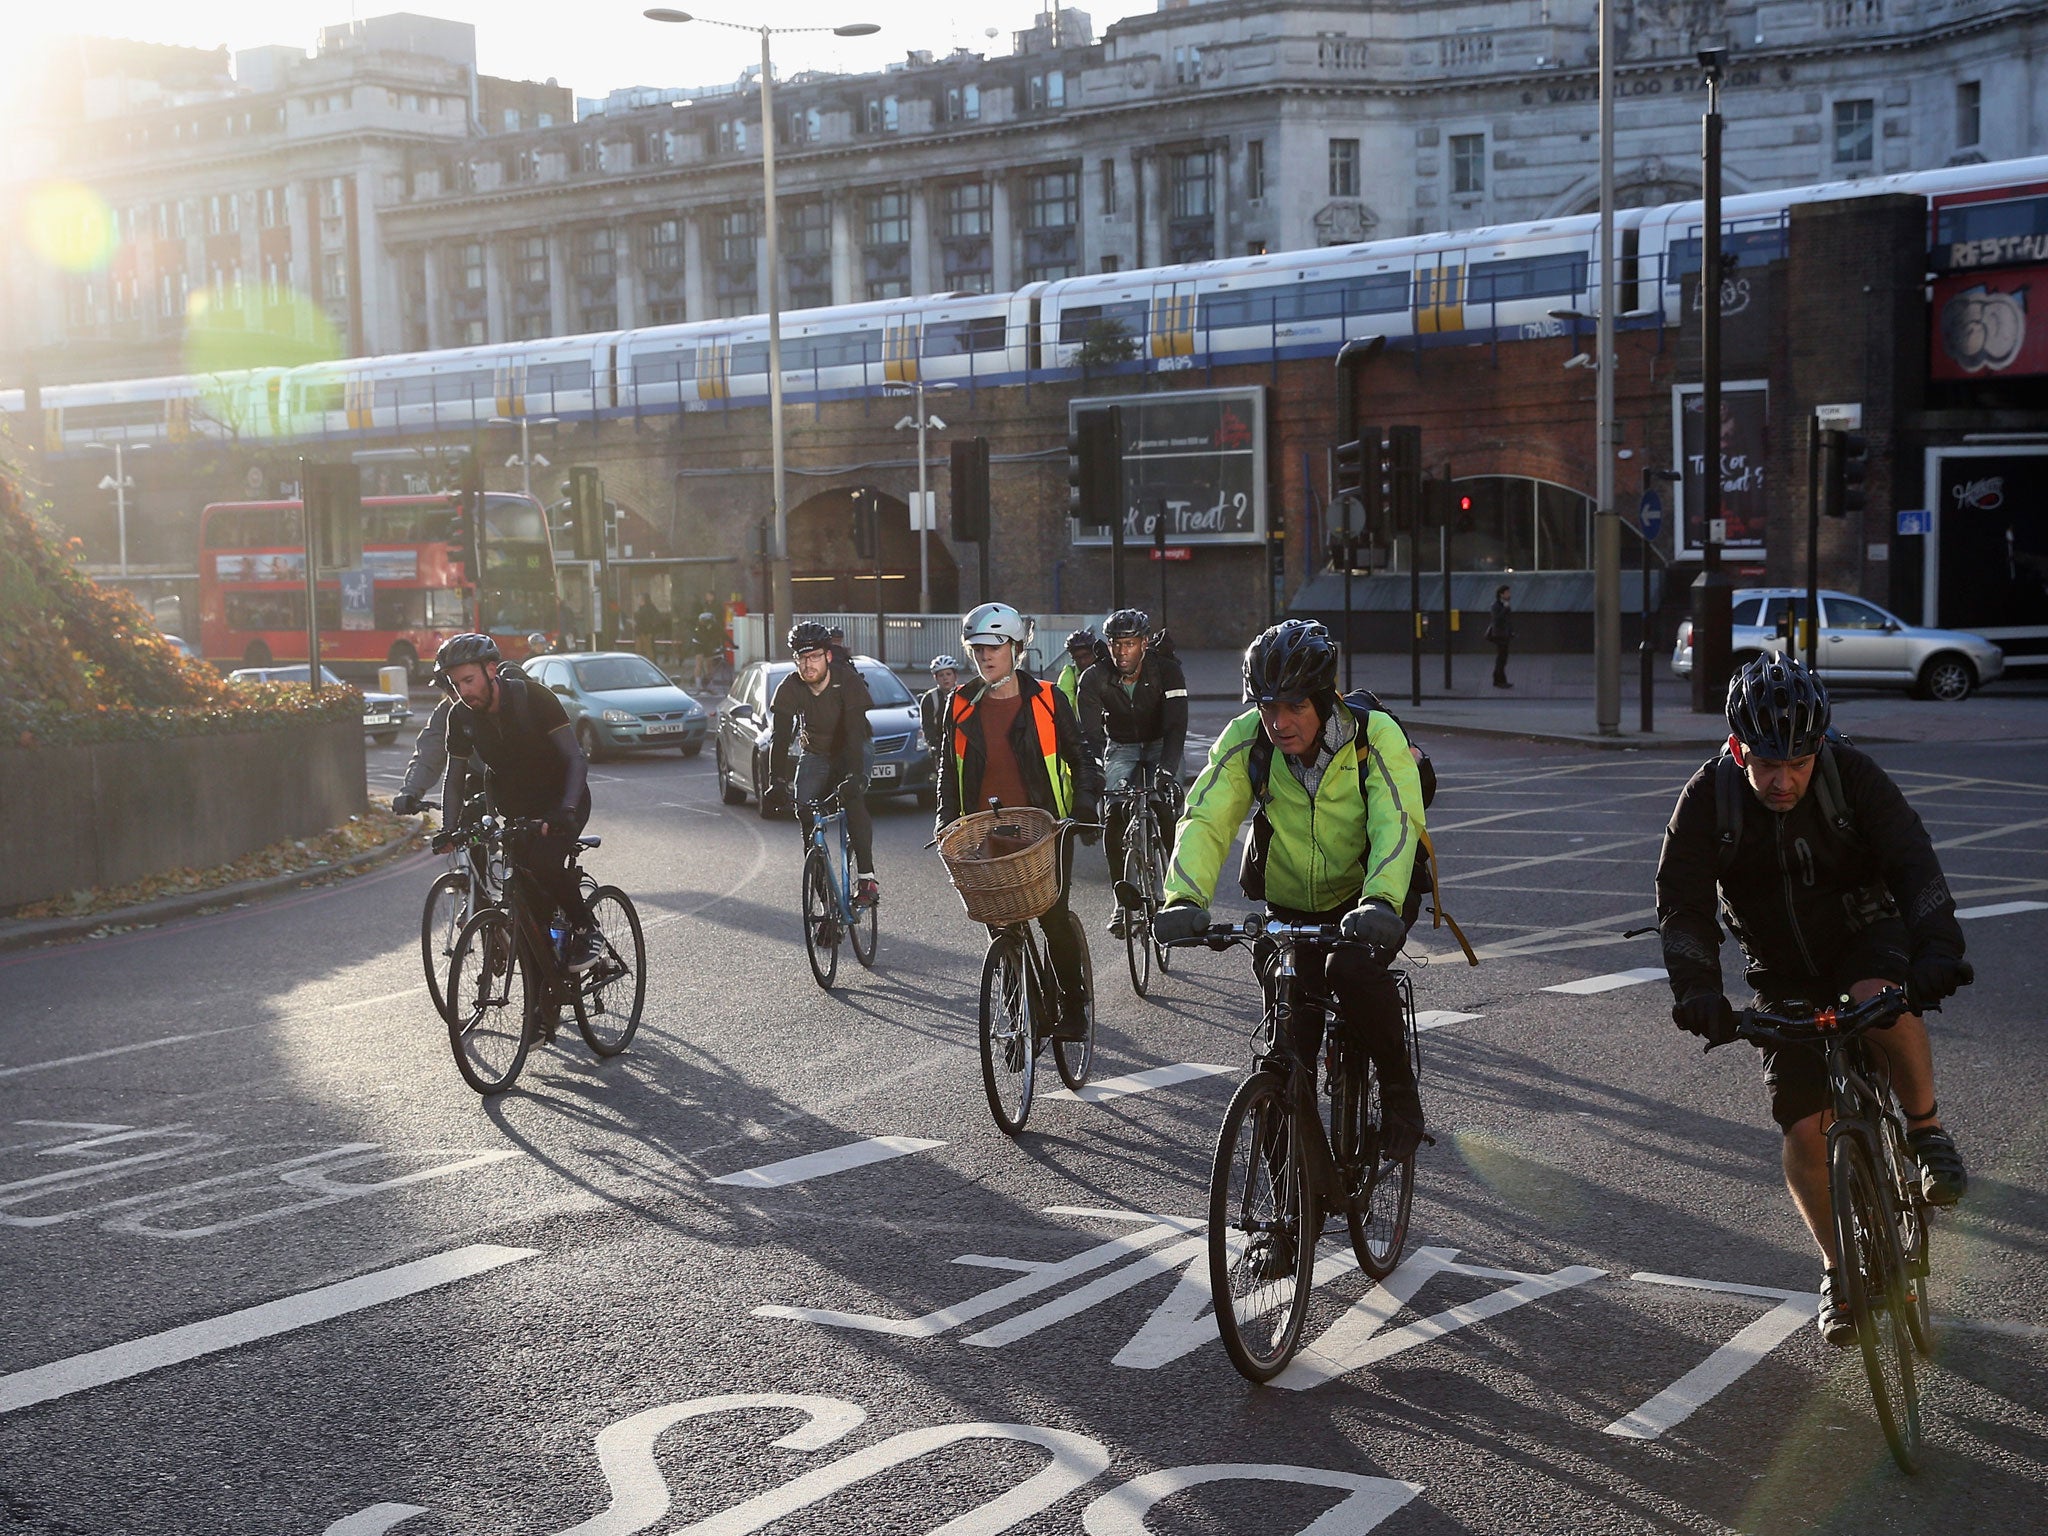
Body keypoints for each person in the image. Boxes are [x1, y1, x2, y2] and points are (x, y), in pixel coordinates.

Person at [1654, 654, 1972, 1346]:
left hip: (1865, 931)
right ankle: (1837, 1269)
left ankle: (1924, 1131)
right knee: (1803, 1126)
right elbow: (1683, 907)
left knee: (1881, 997)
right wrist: (1698, 991)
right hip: (1779, 969)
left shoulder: (1852, 776)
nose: (1782, 778)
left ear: (1818, 747)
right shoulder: (1708, 798)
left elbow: (1913, 861)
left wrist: (1938, 950)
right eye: (1766, 762)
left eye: (1797, 762)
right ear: (1738, 749)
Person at [1153, 619, 1427, 1154]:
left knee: (1349, 969)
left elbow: (1396, 820)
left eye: (1295, 706)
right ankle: (1290, 1184)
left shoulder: (1373, 736)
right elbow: (1206, 816)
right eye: (1267, 707)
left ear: (1324, 701)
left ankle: (1398, 1092)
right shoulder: (1248, 739)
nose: (1279, 723)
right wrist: (1183, 897)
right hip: (1292, 901)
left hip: (1373, 895)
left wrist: (1381, 901)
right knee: (1290, 1028)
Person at [936, 601, 1103, 1039]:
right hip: (986, 831)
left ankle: (1074, 1005)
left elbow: (1083, 758)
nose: (985, 655)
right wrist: (946, 821)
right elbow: (947, 773)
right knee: (1001, 925)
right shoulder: (959, 705)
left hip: (1045, 830)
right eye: (977, 648)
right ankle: (1020, 1015)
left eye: (994, 646)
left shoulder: (1048, 700)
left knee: (1052, 917)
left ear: (1016, 647)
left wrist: (1084, 804)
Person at [434, 632, 600, 972]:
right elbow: (454, 777)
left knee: (543, 863)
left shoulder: (534, 698)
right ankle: (543, 997)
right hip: (518, 808)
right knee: (525, 900)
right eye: (456, 684)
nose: (463, 692)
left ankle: (585, 927)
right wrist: (449, 829)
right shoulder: (460, 717)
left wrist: (565, 811)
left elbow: (575, 758)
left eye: (469, 680)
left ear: (491, 669)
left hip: (563, 799)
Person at [1077, 607, 1189, 937]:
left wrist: (1167, 770)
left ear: (1144, 643)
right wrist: (1097, 773)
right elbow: (1092, 735)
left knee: (1165, 809)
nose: (1121, 652)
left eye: (1129, 644)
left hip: (1160, 742)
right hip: (1122, 744)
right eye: (1115, 644)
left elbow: (1177, 726)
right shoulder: (1094, 678)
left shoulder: (1167, 671)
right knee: (1113, 819)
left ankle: (1175, 894)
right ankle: (1121, 902)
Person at [768, 621, 879, 908]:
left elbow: (855, 732)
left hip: (853, 746)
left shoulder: (847, 680)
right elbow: (780, 738)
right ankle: (826, 904)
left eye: (815, 657)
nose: (808, 665)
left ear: (828, 656)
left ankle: (867, 878)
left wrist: (854, 774)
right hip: (816, 752)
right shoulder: (790, 687)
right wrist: (776, 782)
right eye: (802, 658)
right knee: (805, 812)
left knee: (852, 796)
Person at [920, 654, 961, 754]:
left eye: (948, 674)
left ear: (955, 676)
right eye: (941, 675)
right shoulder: (929, 698)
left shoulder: (963, 694)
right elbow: (927, 726)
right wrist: (934, 745)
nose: (945, 678)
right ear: (936, 678)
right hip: (939, 747)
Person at [1055, 628, 1096, 716]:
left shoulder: (1106, 671)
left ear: (1095, 653)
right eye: (1077, 658)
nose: (1083, 661)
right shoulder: (1069, 675)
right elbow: (1062, 707)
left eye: (1086, 656)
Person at [1487, 585, 1514, 689]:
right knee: (1501, 658)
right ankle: (1499, 680)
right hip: (1499, 635)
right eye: (1507, 592)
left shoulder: (1505, 605)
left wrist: (1511, 631)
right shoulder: (1496, 606)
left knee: (1503, 658)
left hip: (1505, 634)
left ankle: (1499, 679)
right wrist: (1505, 609)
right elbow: (1496, 620)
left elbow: (1508, 620)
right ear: (1501, 594)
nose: (1509, 594)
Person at [690, 610, 723, 688]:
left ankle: (710, 683)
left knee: (709, 664)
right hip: (698, 645)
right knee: (699, 663)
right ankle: (698, 684)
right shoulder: (698, 628)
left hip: (707, 645)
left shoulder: (712, 626)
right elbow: (703, 638)